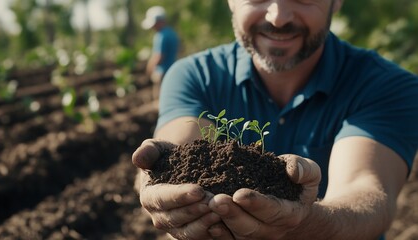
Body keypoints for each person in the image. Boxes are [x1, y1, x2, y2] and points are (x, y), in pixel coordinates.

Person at [132, 0, 418, 239]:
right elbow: (178, 148)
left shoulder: (386, 86)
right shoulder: (194, 76)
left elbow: (366, 194)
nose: (278, 17)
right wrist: (159, 175)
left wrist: (299, 222)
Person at [141, 6, 179, 99]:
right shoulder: (172, 33)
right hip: (173, 70)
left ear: (159, 22)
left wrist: (149, 69)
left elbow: (159, 56)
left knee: (160, 99)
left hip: (162, 73)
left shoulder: (161, 36)